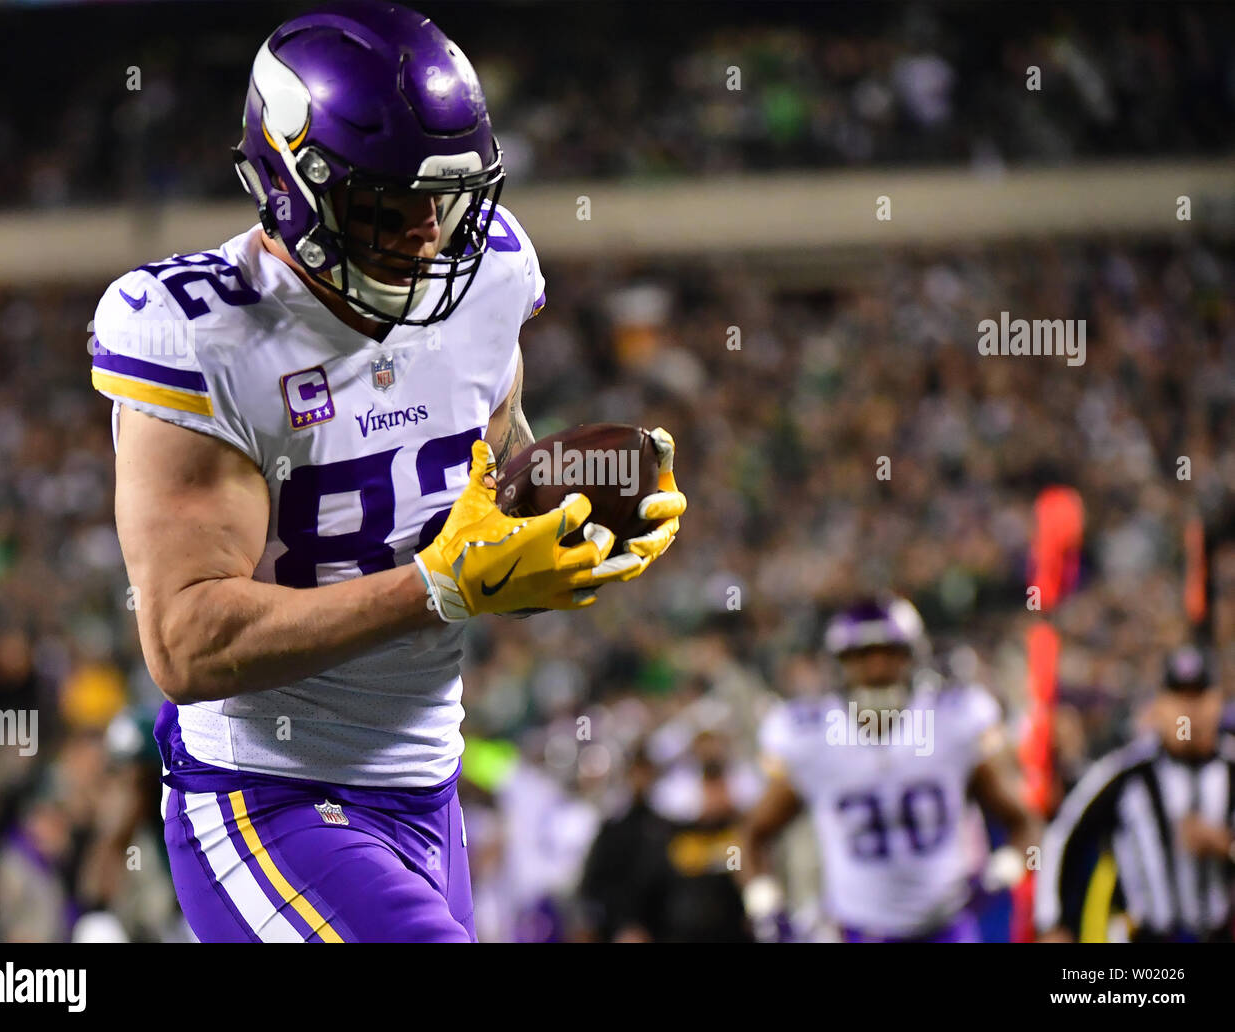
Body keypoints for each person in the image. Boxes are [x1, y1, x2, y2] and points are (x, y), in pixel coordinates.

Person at [90, 0, 685, 942]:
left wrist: (569, 531)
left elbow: (490, 499)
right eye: (390, 204)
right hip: (267, 796)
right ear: (291, 184)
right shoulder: (200, 332)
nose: (426, 232)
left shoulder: (487, 276)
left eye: (444, 199)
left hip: (430, 789)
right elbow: (186, 643)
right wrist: (436, 590)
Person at [739, 596, 1039, 942]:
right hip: (859, 932)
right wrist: (763, 904)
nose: (878, 668)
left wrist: (1001, 874)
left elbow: (1024, 821)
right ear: (839, 665)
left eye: (889, 653)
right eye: (863, 656)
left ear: (913, 657)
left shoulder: (952, 723)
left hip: (948, 926)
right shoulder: (811, 738)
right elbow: (753, 834)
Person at [1036, 645, 1235, 943]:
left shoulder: (1231, 767)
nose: (1189, 709)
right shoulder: (1124, 773)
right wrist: (1054, 924)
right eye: (1179, 697)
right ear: (1159, 705)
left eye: (1199, 696)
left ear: (1218, 701)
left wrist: (1226, 846)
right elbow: (1063, 838)